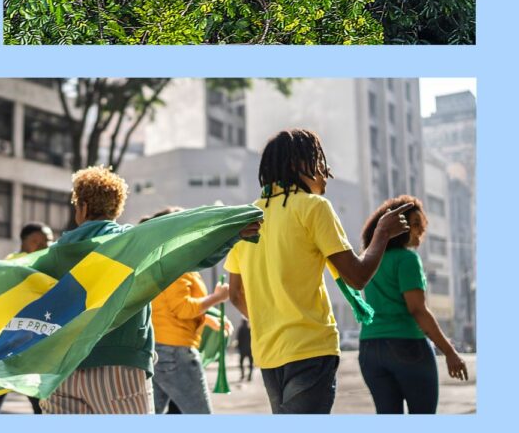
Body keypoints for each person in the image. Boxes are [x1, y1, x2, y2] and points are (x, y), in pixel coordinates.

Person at [41, 167, 258, 415]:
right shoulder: (133, 243)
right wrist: (231, 232)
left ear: (81, 207)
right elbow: (185, 246)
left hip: (62, 370)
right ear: (118, 208)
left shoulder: (55, 253)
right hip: (120, 367)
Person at [226, 128, 411, 414]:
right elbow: (357, 276)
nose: (327, 171)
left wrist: (272, 319)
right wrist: (382, 233)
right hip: (310, 348)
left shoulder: (248, 218)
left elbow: (236, 294)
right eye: (319, 161)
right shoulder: (314, 208)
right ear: (296, 166)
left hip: (268, 354)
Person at [357, 195, 469, 413]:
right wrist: (450, 352)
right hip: (406, 345)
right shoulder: (407, 259)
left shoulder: (368, 258)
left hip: (370, 348)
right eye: (414, 224)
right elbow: (417, 309)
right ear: (396, 226)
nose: (420, 231)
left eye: (422, 225)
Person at [143, 206, 231, 414]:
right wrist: (217, 298)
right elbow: (183, 308)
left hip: (160, 350)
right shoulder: (177, 263)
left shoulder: (161, 261)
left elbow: (170, 307)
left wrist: (208, 318)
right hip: (176, 352)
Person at [0, 222, 56, 414]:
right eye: (38, 241)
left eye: (49, 242)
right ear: (24, 241)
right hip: (15, 344)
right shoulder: (18, 264)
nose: (44, 246)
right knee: (41, 404)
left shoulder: (13, 263)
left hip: (23, 344)